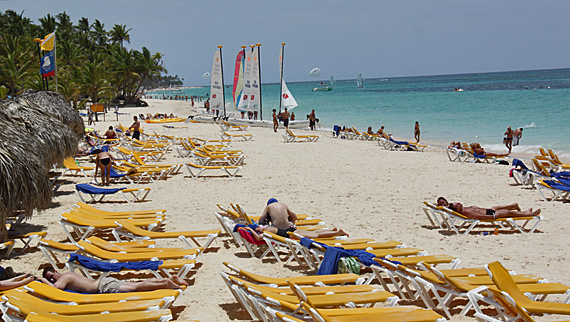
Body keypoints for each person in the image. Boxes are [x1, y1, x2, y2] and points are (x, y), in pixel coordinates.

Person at [40, 266, 187, 294]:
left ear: (56, 271)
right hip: (103, 281)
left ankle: (166, 284)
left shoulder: (64, 278)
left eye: (52, 276)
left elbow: (55, 289)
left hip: (102, 286)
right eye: (51, 279)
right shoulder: (67, 274)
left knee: (136, 288)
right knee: (136, 284)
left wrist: (42, 280)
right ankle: (167, 279)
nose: (53, 279)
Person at [436, 197, 541, 219]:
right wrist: (494, 217)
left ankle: (519, 208)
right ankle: (529, 214)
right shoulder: (466, 213)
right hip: (490, 215)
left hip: (487, 211)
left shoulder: (455, 208)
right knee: (508, 212)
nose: (459, 203)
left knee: (498, 208)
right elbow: (479, 217)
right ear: (457, 209)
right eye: (457, 204)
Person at [243, 225, 349, 240]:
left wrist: (251, 230)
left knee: (315, 235)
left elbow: (257, 238)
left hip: (293, 234)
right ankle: (331, 231)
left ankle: (337, 233)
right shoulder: (267, 228)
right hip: (291, 230)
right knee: (314, 232)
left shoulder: (265, 232)